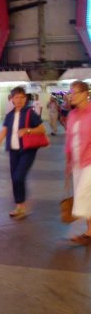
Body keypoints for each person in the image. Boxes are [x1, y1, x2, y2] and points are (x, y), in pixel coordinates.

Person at [0, 86, 46, 219]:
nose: (19, 100)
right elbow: (3, 132)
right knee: (15, 178)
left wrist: (27, 130)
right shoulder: (9, 115)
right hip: (13, 151)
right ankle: (19, 206)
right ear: (12, 99)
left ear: (25, 99)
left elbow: (42, 129)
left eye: (22, 97)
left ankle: (22, 206)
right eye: (16, 97)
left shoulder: (30, 113)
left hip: (27, 150)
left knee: (18, 177)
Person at [64, 81, 91, 246]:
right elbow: (69, 139)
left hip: (90, 161)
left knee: (82, 194)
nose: (71, 96)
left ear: (84, 93)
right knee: (88, 197)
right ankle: (89, 232)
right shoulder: (72, 115)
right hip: (76, 162)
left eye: (74, 92)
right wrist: (68, 161)